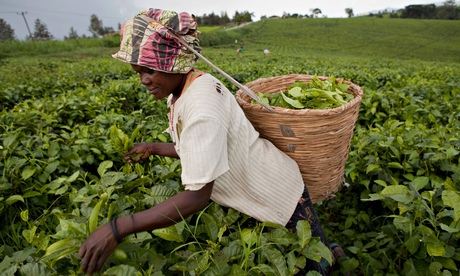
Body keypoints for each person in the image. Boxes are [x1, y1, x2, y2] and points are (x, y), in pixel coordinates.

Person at [79, 8, 338, 275]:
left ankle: (331, 257)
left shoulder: (201, 104)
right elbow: (198, 149)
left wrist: (119, 228)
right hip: (253, 191)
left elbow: (198, 196)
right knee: (305, 250)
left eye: (149, 70)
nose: (144, 80)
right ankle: (331, 251)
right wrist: (153, 147)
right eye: (138, 72)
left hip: (278, 192)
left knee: (313, 262)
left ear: (173, 63)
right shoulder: (182, 90)